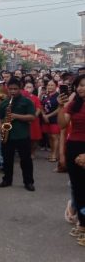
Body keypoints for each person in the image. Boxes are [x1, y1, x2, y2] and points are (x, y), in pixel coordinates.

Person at [58, 74, 85, 245]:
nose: (81, 88)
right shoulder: (73, 105)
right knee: (78, 189)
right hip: (73, 148)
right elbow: (62, 124)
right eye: (79, 85)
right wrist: (61, 106)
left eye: (84, 85)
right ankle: (82, 224)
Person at [0, 78, 37, 191]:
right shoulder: (4, 103)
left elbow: (32, 117)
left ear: (20, 89)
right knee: (7, 159)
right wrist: (1, 128)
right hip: (8, 136)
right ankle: (7, 180)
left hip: (22, 135)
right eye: (10, 89)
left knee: (26, 160)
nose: (13, 91)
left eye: (15, 89)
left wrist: (15, 116)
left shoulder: (27, 101)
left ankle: (28, 182)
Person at [42, 80, 61, 162]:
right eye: (48, 85)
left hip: (55, 118)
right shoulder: (46, 96)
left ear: (56, 86)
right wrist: (43, 115)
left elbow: (59, 108)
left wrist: (48, 116)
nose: (49, 87)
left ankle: (55, 154)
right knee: (49, 136)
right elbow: (42, 106)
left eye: (52, 85)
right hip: (46, 119)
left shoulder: (58, 96)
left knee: (55, 137)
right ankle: (52, 153)